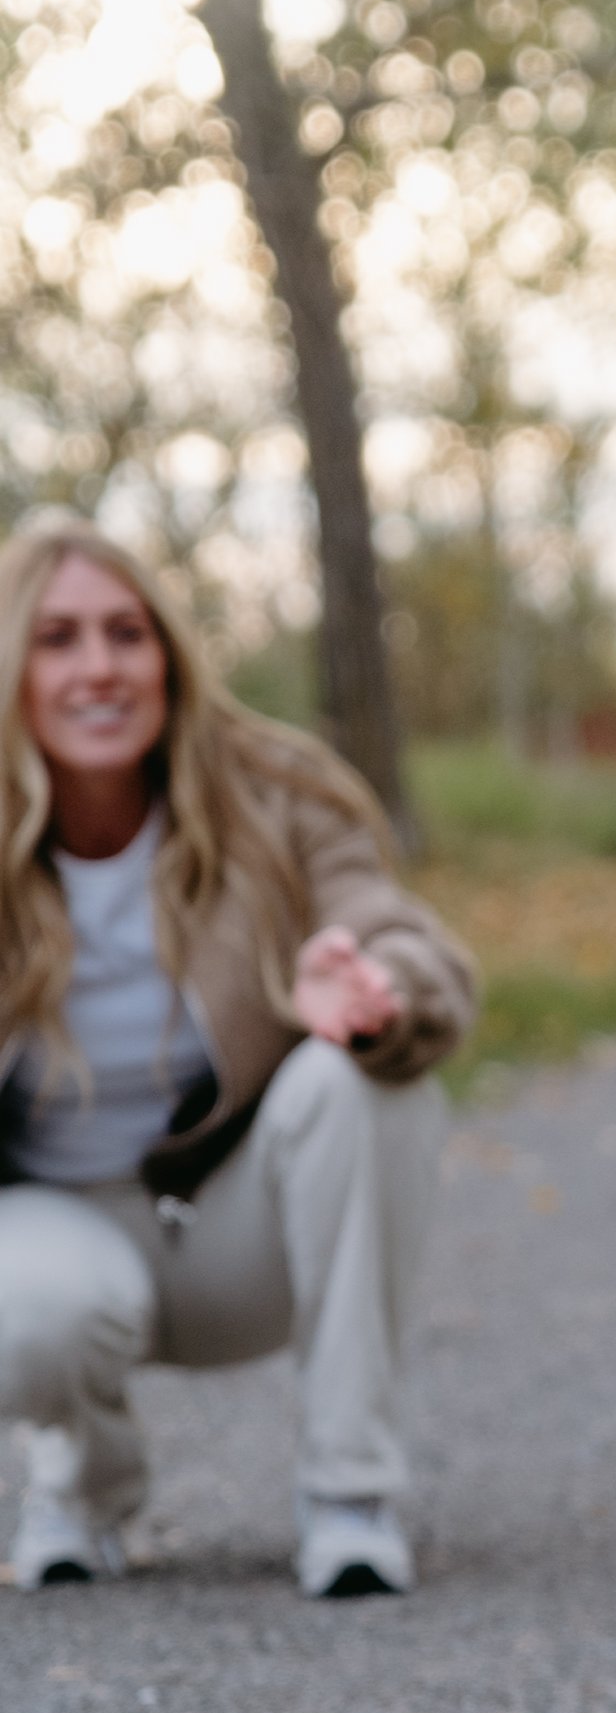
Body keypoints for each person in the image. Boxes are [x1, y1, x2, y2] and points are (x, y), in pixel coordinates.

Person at [0, 512, 475, 1597]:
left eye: (127, 634)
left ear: (168, 651)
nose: (100, 668)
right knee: (34, 1307)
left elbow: (405, 937)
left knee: (371, 1086)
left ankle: (348, 1492)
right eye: (58, 638)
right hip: (48, 1229)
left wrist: (374, 990)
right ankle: (81, 1476)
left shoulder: (277, 791)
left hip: (234, 1226)